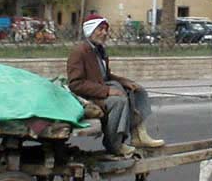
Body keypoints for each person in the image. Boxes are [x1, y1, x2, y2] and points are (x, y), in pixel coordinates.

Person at [67, 14, 164, 157]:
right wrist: (107, 91)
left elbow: (105, 75)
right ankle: (114, 144)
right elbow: (76, 84)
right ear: (90, 30)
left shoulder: (99, 50)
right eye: (100, 29)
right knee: (118, 101)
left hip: (100, 90)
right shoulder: (79, 52)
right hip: (88, 98)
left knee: (138, 91)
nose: (104, 33)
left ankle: (138, 135)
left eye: (106, 30)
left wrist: (124, 82)